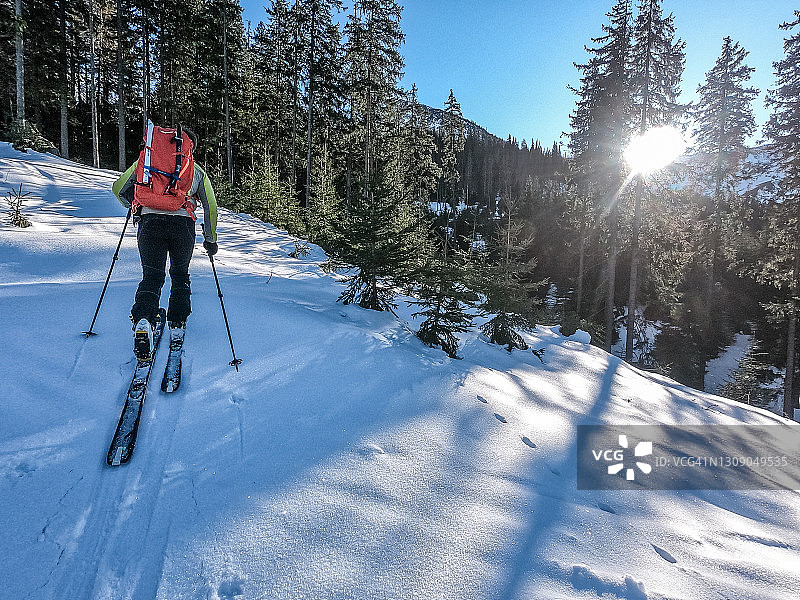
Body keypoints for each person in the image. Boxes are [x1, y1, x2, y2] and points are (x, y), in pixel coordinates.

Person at [112, 125, 218, 359]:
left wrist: (138, 205)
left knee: (152, 276)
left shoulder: (146, 163)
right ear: (190, 147)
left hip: (150, 224)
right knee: (180, 274)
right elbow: (210, 206)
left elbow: (118, 189)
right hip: (182, 227)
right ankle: (178, 319)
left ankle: (142, 319)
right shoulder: (195, 170)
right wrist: (210, 240)